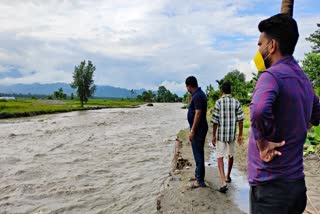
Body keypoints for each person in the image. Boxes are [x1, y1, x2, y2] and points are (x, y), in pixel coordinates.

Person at [249, 13, 320, 214]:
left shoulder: (270, 76)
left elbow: (259, 110)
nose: (258, 48)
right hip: (296, 186)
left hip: (271, 188)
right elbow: (316, 114)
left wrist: (262, 143)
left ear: (272, 46)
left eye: (260, 43)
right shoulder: (304, 80)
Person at [211, 82, 244, 193]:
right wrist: (240, 135)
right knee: (231, 155)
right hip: (231, 134)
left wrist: (213, 136)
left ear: (222, 91)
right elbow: (241, 120)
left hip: (221, 135)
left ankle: (223, 181)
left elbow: (215, 121)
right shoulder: (236, 102)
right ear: (231, 91)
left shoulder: (218, 102)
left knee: (220, 156)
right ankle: (227, 176)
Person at [185, 76, 208, 188]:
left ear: (189, 86)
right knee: (197, 152)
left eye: (187, 87)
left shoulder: (198, 96)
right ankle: (198, 175)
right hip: (199, 128)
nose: (187, 89)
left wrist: (193, 130)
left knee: (198, 153)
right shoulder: (198, 94)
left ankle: (199, 180)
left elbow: (198, 113)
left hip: (198, 129)